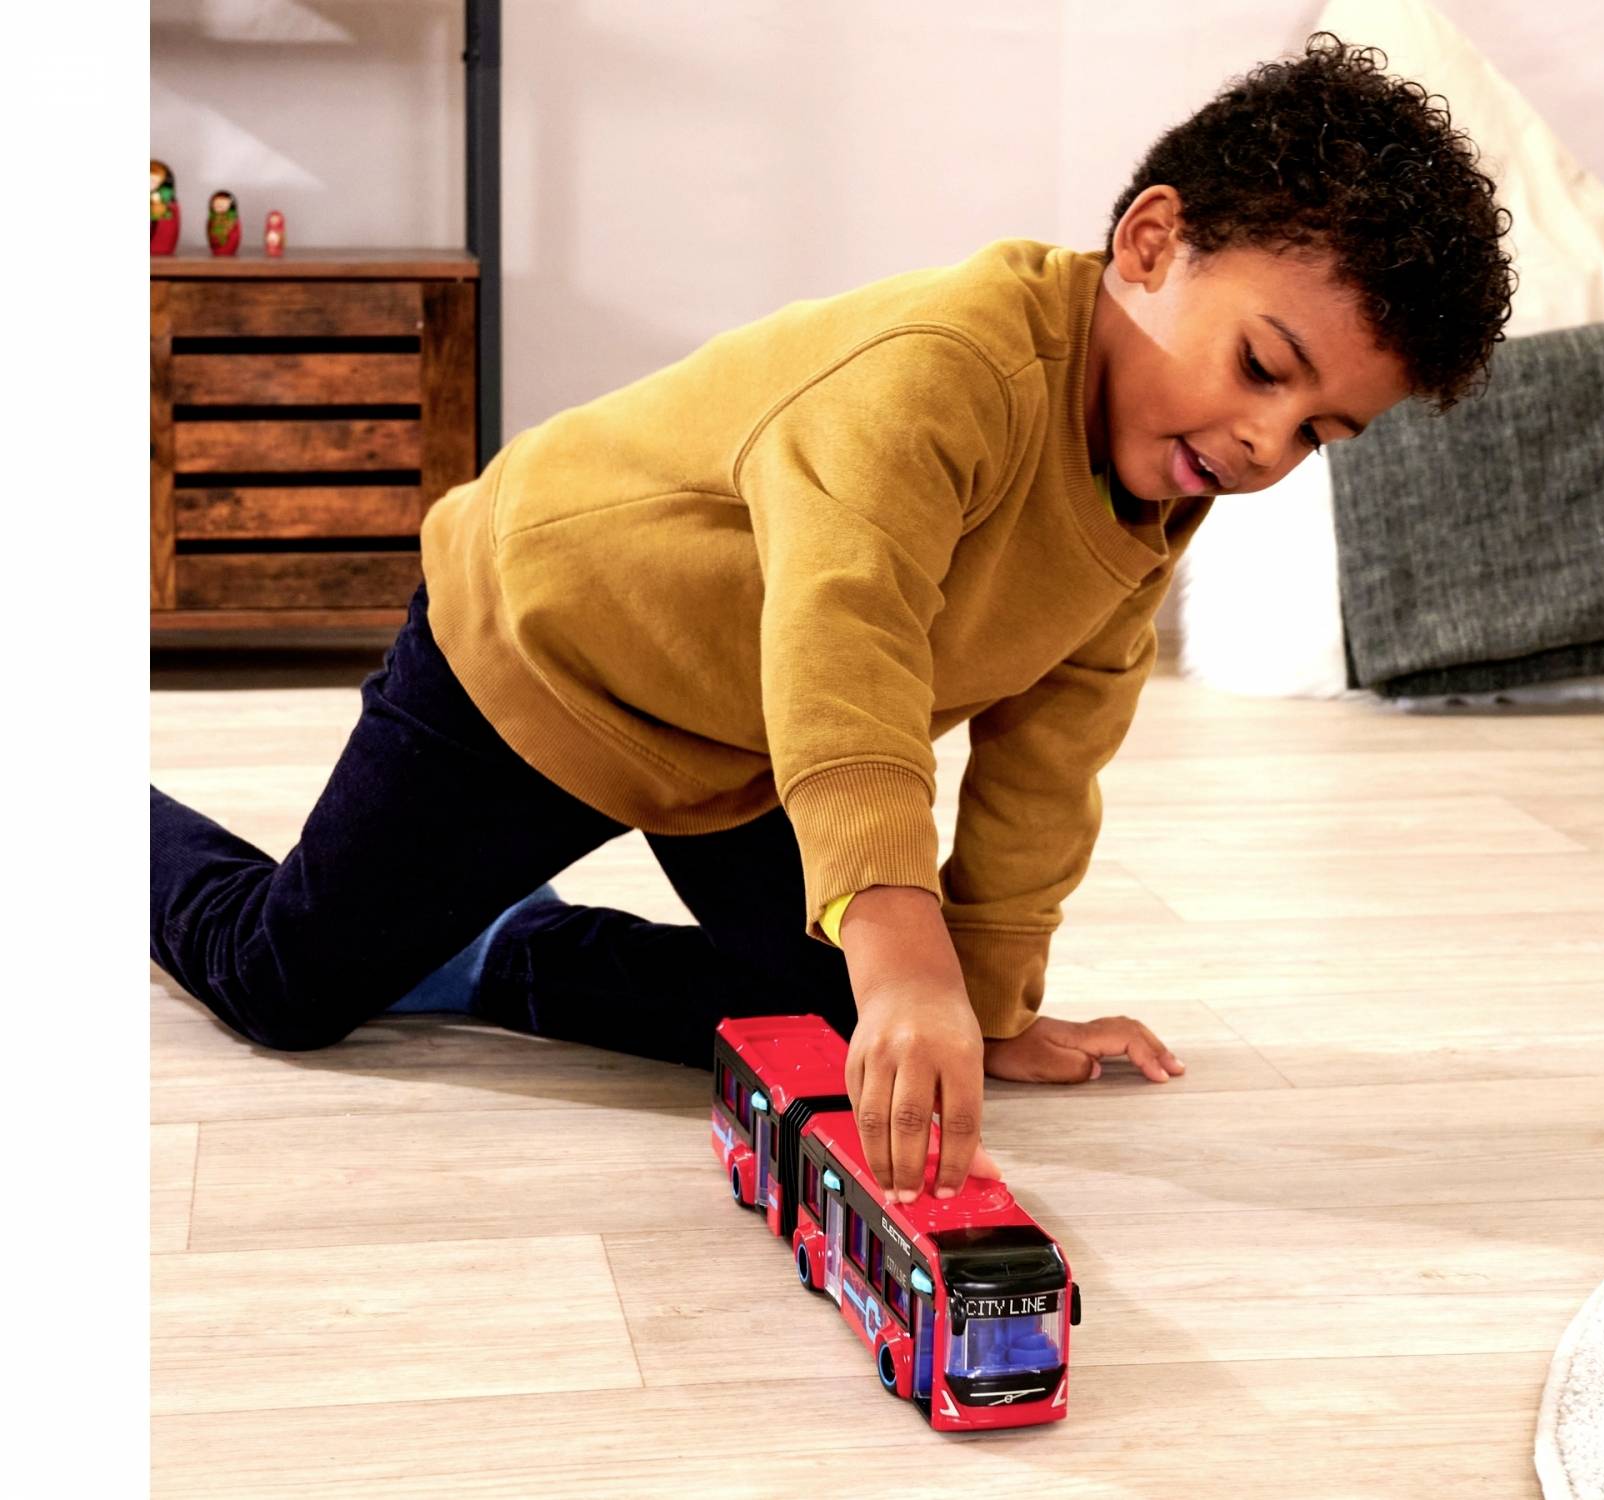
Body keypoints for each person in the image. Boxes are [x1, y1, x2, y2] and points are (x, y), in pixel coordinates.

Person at [150, 34, 1514, 1209]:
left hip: (752, 745)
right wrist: (903, 947)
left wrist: (981, 1006)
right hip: (542, 658)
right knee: (282, 988)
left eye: (1319, 431)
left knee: (848, 1032)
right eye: (1263, 367)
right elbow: (841, 641)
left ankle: (498, 950)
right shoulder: (946, 368)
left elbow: (1051, 763)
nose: (1269, 441)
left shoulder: (1157, 501)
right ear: (1152, 245)